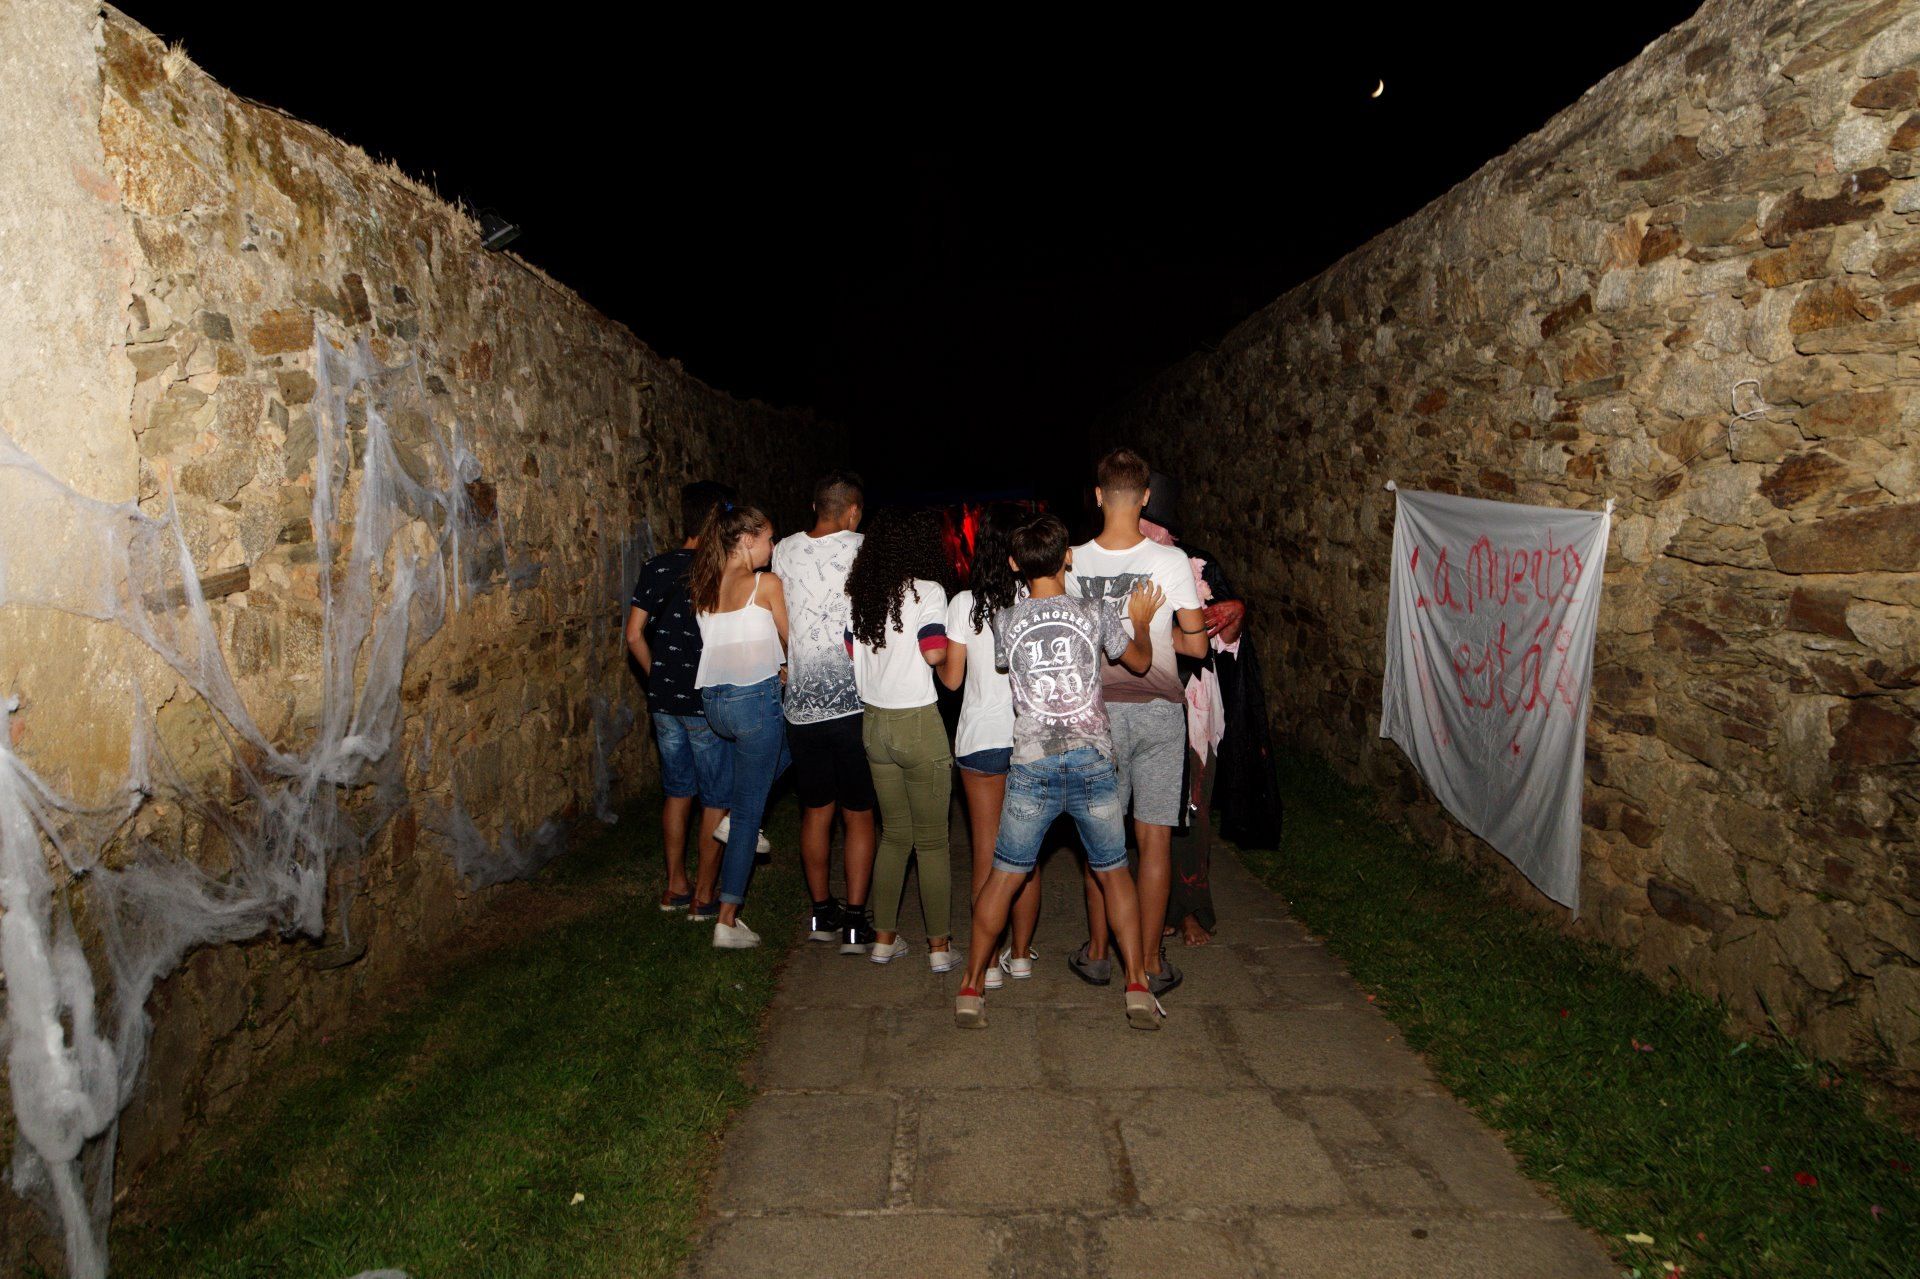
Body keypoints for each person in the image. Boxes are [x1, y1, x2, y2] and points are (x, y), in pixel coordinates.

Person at [954, 513, 1164, 1031]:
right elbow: (1138, 663)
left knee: (1004, 877)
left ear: (1012, 564)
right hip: (1092, 760)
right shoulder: (1094, 612)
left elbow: (1008, 666)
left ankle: (971, 986)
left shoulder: (1004, 621)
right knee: (1114, 872)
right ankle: (1136, 983)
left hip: (1031, 763)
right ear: (1067, 556)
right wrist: (1139, 622)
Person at [1066, 448, 1207, 996]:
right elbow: (1194, 643)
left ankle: (1100, 952)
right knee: (1154, 840)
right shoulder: (1171, 562)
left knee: (1101, 841)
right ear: (1145, 498)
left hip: (1094, 715)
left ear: (1097, 496)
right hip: (1158, 712)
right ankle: (1148, 959)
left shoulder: (1072, 561)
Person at [772, 470, 878, 953]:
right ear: (853, 512)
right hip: (856, 703)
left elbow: (779, 619)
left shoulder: (784, 550)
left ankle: (821, 915)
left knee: (815, 812)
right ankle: (856, 923)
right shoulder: (864, 547)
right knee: (859, 814)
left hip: (802, 707)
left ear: (817, 506)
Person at [845, 507, 954, 971]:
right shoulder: (927, 592)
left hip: (874, 725)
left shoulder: (861, 595)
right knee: (931, 842)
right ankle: (939, 950)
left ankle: (884, 941)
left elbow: (851, 649)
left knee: (894, 837)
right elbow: (934, 652)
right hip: (916, 722)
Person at [625, 480, 735, 915]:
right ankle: (705, 896)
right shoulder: (722, 572)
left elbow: (633, 634)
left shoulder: (656, 566)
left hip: (664, 702)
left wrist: (658, 677)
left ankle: (675, 886)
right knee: (716, 797)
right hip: (706, 702)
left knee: (677, 792)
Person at [938, 503, 1035, 989]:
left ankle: (987, 960)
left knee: (986, 854)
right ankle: (1019, 956)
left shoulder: (961, 604)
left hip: (978, 741)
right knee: (1026, 855)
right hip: (1028, 740)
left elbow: (952, 681)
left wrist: (935, 659)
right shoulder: (1035, 599)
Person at [689, 502, 791, 949]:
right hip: (754, 701)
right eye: (769, 538)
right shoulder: (764, 584)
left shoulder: (705, 585)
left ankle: (732, 815)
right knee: (751, 812)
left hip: (714, 704)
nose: (773, 546)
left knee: (784, 755)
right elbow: (793, 640)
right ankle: (727, 920)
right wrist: (787, 666)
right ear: (747, 540)